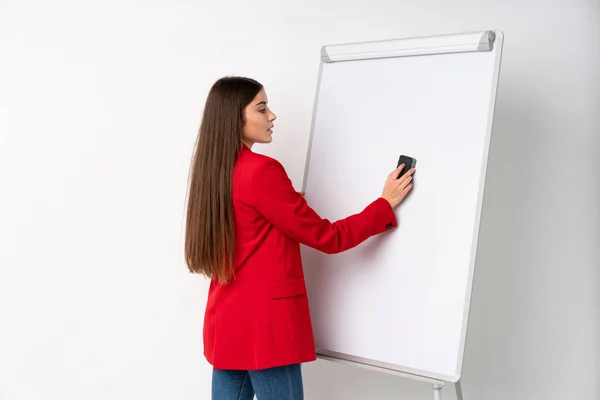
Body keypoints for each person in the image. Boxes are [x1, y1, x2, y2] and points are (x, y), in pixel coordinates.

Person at [184, 76, 414, 400]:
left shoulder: (212, 171)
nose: (272, 116)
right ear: (234, 117)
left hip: (227, 322)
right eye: (262, 109)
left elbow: (251, 221)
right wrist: (383, 204)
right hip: (266, 329)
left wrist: (287, 201)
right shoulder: (260, 171)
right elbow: (328, 238)